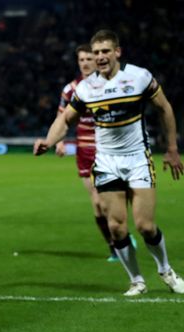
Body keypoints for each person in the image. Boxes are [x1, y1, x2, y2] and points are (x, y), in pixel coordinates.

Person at [34, 29, 184, 296]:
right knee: (115, 226)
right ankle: (137, 280)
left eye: (105, 51)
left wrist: (172, 149)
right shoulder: (86, 88)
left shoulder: (139, 77)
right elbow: (66, 119)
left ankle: (166, 271)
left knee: (145, 226)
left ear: (117, 52)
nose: (100, 57)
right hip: (106, 162)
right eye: (96, 53)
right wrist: (48, 140)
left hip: (138, 159)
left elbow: (165, 108)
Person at [50, 45, 121, 262]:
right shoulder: (71, 89)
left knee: (107, 203)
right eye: (81, 59)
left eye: (89, 58)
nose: (85, 63)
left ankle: (120, 238)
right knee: (98, 206)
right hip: (85, 151)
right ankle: (114, 245)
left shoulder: (109, 84)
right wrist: (58, 141)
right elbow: (62, 116)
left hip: (106, 149)